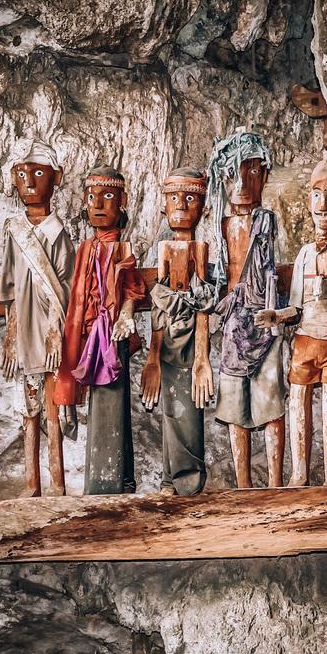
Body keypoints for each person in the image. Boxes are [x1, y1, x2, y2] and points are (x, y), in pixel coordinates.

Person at [257, 152, 327, 485]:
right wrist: (277, 315)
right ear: (308, 200)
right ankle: (299, 473)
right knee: (297, 410)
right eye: (317, 194)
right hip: (304, 343)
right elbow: (297, 307)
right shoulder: (304, 254)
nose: (323, 204)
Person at [53, 166, 145, 494]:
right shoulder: (85, 249)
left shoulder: (121, 248)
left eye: (108, 196)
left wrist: (126, 315)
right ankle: (120, 480)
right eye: (92, 197)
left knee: (110, 407)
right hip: (90, 335)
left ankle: (106, 484)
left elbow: (132, 288)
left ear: (122, 201)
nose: (98, 204)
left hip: (111, 337)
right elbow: (78, 299)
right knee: (102, 408)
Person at [206, 129, 285, 488]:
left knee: (271, 401)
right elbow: (219, 276)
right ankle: (243, 485)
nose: (240, 183)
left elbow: (272, 272)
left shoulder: (266, 221)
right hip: (233, 321)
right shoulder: (219, 227)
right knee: (235, 402)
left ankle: (276, 483)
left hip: (263, 315)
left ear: (263, 175)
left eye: (250, 170)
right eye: (231, 173)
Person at [0, 138, 75, 496]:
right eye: (22, 174)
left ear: (55, 178)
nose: (29, 182)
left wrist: (56, 332)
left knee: (53, 406)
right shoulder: (14, 231)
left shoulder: (59, 234)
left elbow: (66, 287)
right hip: (25, 330)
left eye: (38, 174)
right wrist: (11, 335)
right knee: (28, 408)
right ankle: (32, 482)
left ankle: (57, 481)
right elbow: (11, 287)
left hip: (50, 331)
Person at [141, 168, 215, 496]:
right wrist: (153, 358)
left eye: (190, 198)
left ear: (203, 207)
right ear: (163, 206)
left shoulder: (200, 249)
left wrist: (202, 358)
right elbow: (159, 308)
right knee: (170, 408)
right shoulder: (164, 250)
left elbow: (202, 307)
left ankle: (188, 479)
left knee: (189, 409)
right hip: (169, 342)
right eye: (173, 198)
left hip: (191, 344)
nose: (181, 205)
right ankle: (169, 480)